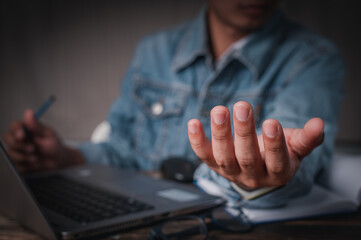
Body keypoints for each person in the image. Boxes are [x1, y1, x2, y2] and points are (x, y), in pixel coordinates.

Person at [2, 0, 344, 209]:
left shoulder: (313, 60)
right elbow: (123, 152)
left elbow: (295, 163)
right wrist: (65, 156)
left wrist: (262, 174)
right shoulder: (154, 51)